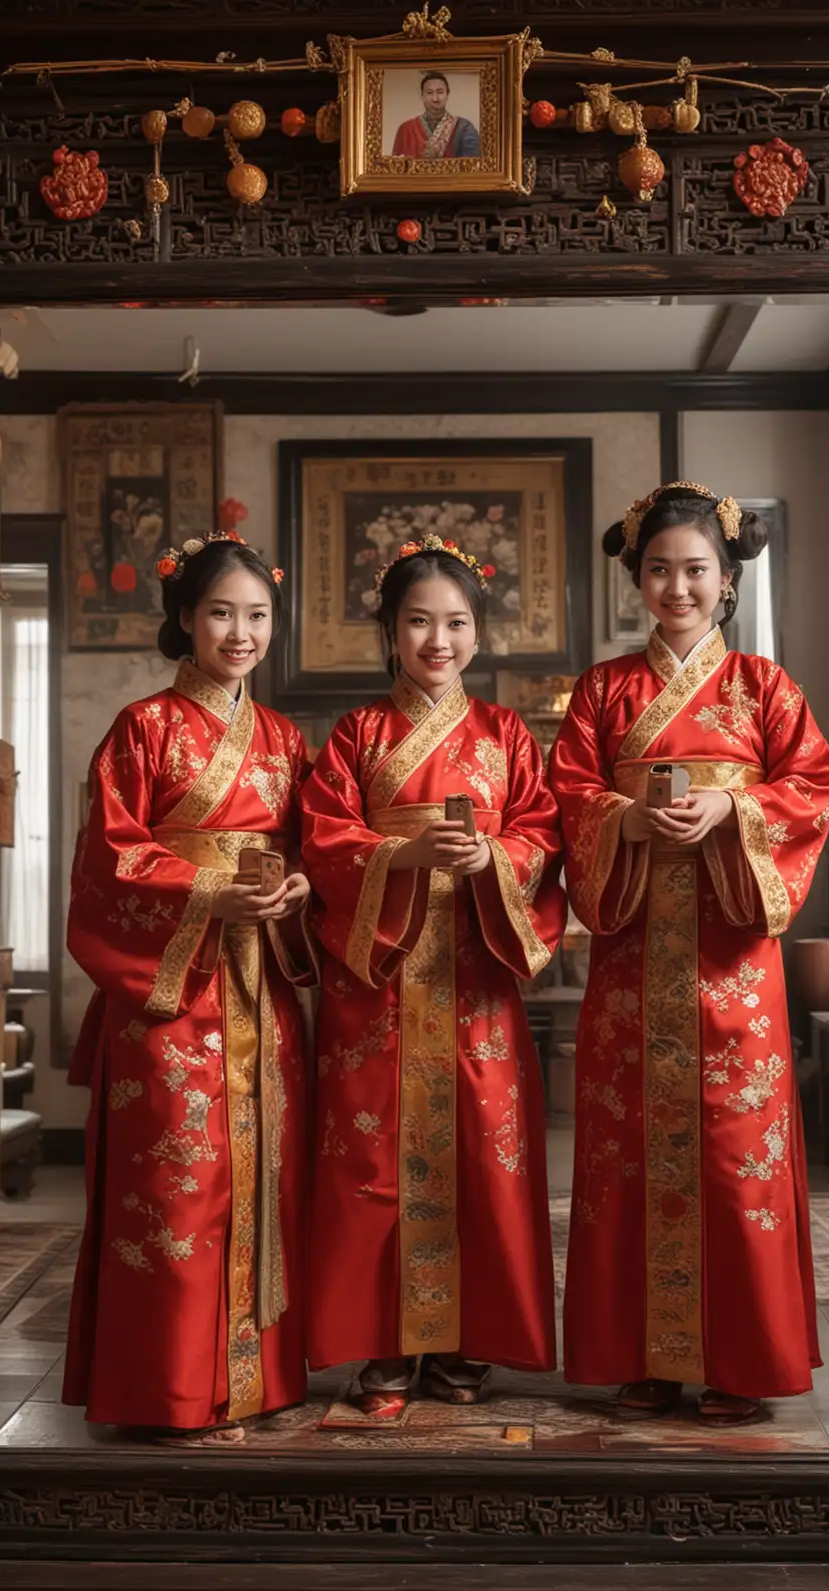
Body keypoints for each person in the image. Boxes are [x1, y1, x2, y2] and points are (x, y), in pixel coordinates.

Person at [548, 483, 829, 1425]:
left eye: (696, 569)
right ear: (637, 579)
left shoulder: (766, 688)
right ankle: (642, 1355)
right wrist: (625, 820)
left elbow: (814, 786)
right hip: (632, 962)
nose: (678, 586)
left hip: (730, 966)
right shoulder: (601, 690)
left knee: (733, 1152)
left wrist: (733, 807)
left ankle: (738, 1362)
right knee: (627, 1149)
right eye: (660, 569)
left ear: (726, 580)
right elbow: (568, 801)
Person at [300, 534, 565, 1416]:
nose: (438, 641)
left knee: (482, 1158)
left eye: (455, 623)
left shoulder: (505, 736)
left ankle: (465, 1343)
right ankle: (381, 1346)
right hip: (377, 987)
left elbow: (542, 838)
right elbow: (324, 840)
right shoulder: (356, 736)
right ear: (389, 631)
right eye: (418, 622)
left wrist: (494, 855)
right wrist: (404, 853)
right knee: (369, 1166)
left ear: (480, 634)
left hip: (474, 982)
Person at [61, 531, 316, 1444]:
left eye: (256, 615)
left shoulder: (286, 738)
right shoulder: (143, 728)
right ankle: (166, 1386)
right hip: (171, 994)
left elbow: (310, 850)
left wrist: (296, 888)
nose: (240, 633)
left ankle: (258, 1377)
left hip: (261, 985)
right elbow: (112, 860)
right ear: (184, 621)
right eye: (220, 613)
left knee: (264, 1176)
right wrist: (212, 889)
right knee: (175, 1185)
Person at [390, 70, 481, 160]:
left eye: (440, 92)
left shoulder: (464, 128)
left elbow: (473, 167)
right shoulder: (405, 129)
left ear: (447, 95)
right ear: (422, 96)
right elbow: (396, 168)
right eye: (429, 93)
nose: (435, 99)